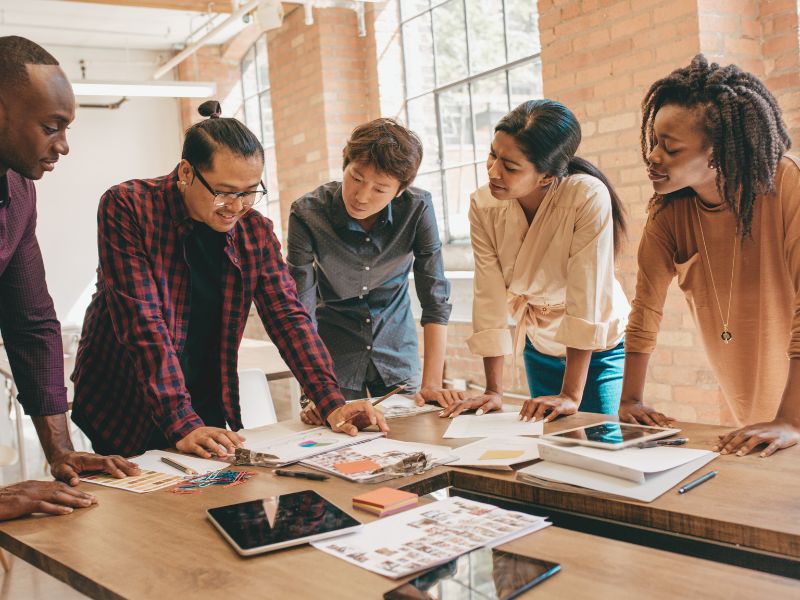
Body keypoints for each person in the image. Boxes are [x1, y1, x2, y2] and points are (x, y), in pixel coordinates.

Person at [71, 101, 388, 459]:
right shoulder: (128, 207)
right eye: (224, 191)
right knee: (142, 505)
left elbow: (288, 316)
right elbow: (142, 321)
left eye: (250, 191)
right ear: (187, 173)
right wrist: (180, 420)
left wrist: (331, 401)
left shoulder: (254, 231)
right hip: (126, 394)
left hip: (201, 397)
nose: (237, 207)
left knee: (202, 497)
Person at [620, 55, 800, 458]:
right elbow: (645, 308)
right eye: (653, 142)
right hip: (756, 408)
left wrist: (791, 419)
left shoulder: (788, 185)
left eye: (670, 148)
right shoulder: (668, 214)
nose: (653, 156)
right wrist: (630, 397)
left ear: (718, 151)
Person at [0, 36, 138, 520]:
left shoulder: (17, 192)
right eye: (50, 126)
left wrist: (59, 450)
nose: (63, 145)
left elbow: (32, 323)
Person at [441, 100, 629, 422]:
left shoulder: (586, 196)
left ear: (546, 176)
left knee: (598, 441)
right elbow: (488, 294)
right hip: (538, 342)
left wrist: (570, 395)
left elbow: (586, 298)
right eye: (492, 155)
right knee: (547, 442)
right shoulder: (483, 205)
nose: (493, 172)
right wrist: (493, 391)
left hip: (597, 349)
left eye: (510, 167)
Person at [287, 118, 463, 427]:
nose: (362, 195)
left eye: (380, 188)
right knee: (340, 448)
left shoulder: (418, 208)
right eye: (355, 178)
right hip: (332, 355)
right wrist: (314, 389)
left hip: (395, 345)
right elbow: (300, 309)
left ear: (399, 191)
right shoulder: (307, 213)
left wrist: (432, 383)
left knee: (413, 438)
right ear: (345, 163)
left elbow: (435, 298)